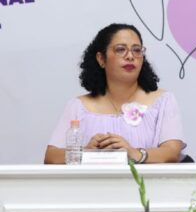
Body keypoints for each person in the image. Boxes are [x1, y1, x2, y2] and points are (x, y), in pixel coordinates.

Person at [44, 24, 185, 164]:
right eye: (121, 49)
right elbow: (51, 157)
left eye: (137, 50)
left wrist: (134, 153)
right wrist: (85, 152)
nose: (130, 56)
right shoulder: (78, 106)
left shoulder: (163, 100)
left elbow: (172, 152)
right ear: (101, 59)